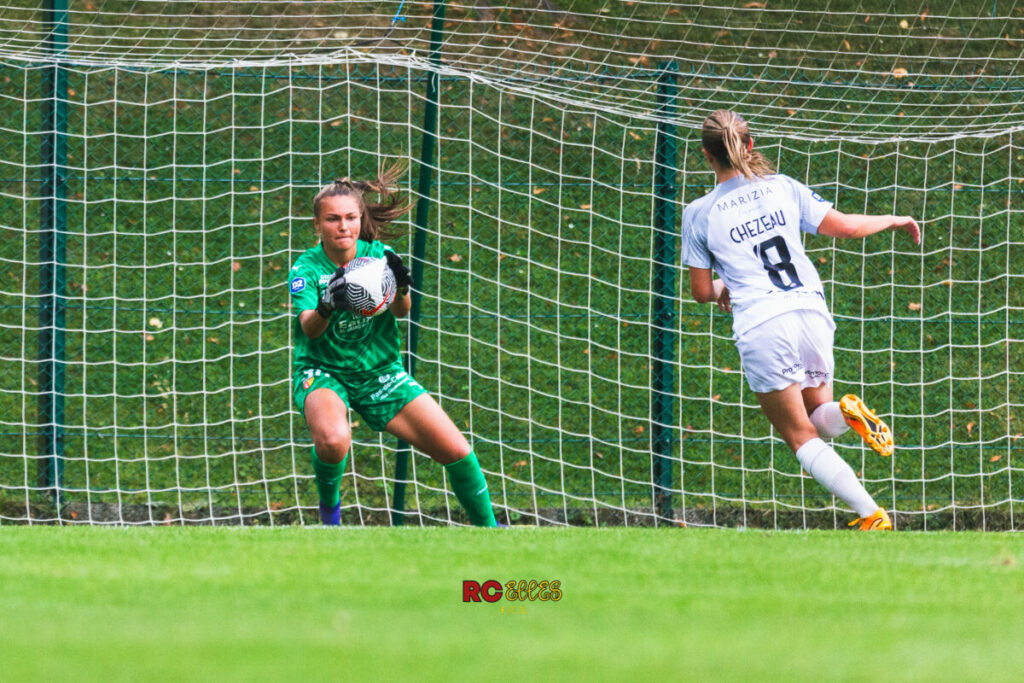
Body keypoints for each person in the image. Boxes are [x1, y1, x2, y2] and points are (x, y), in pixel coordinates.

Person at [681, 110, 921, 531]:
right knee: (818, 418)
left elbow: (702, 292)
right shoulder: (783, 188)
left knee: (799, 436)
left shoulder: (699, 213)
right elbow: (845, 227)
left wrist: (726, 287)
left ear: (706, 155)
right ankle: (846, 415)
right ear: (750, 144)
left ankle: (872, 515)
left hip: (763, 324)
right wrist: (893, 219)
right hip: (811, 310)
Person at [288, 163, 497, 527]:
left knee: (458, 452)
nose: (343, 226)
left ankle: (493, 534)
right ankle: (329, 518)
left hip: (380, 371)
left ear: (360, 218)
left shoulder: (378, 256)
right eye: (333, 219)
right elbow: (310, 329)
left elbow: (402, 311)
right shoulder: (306, 268)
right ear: (317, 225)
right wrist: (327, 304)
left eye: (351, 217)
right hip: (323, 370)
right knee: (335, 440)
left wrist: (401, 287)